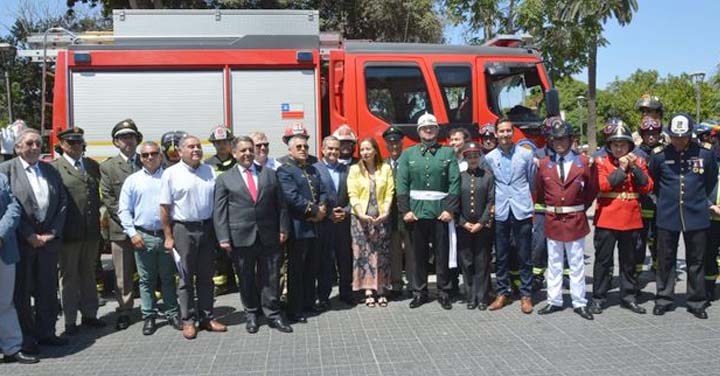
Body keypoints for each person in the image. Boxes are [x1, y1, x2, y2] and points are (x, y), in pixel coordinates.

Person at [214, 136, 293, 334]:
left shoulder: (269, 174)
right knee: (246, 277)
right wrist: (223, 238)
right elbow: (220, 211)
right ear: (234, 153)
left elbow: (281, 205)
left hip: (269, 235)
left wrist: (283, 228)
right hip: (240, 236)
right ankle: (251, 314)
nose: (248, 153)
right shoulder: (225, 179)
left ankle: (273, 313)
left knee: (271, 276)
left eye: (250, 149)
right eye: (243, 150)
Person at [0, 129, 67, 354]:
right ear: (18, 148)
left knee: (47, 290)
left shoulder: (50, 170)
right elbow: (12, 206)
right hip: (21, 242)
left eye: (38, 143)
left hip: (48, 242)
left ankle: (46, 332)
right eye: (29, 143)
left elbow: (62, 203)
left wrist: (52, 232)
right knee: (21, 292)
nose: (35, 147)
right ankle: (26, 338)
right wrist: (28, 234)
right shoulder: (6, 170)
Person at [649, 113, 718, 319]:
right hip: (667, 214)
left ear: (690, 134)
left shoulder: (705, 154)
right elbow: (653, 184)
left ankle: (696, 301)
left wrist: (705, 203)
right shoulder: (659, 154)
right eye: (675, 136)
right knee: (665, 259)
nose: (679, 140)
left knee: (696, 260)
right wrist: (659, 203)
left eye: (683, 136)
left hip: (696, 214)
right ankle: (663, 298)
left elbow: (711, 181)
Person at [160, 135, 227, 339]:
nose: (196, 150)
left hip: (206, 228)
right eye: (191, 147)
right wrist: (168, 236)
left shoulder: (209, 171)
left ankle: (207, 317)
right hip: (183, 230)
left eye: (198, 146)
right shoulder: (171, 173)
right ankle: (188, 320)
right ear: (180, 152)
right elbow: (164, 207)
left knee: (207, 276)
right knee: (186, 277)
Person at [396, 113, 460, 310]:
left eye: (432, 127)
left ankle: (443, 291)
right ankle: (419, 292)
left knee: (442, 254)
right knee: (417, 255)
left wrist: (450, 209)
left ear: (437, 130)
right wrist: (405, 210)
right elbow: (402, 184)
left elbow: (454, 182)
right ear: (419, 131)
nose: (429, 130)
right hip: (416, 213)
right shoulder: (408, 154)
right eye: (425, 128)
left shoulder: (447, 153)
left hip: (441, 212)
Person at [118, 141, 181, 335]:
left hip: (166, 235)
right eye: (145, 155)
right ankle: (149, 315)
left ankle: (172, 312)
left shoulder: (170, 177)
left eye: (154, 153)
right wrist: (132, 233)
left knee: (168, 277)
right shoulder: (133, 180)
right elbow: (123, 210)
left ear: (161, 155)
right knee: (146, 280)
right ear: (140, 158)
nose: (150, 158)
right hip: (143, 235)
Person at [533, 120, 595, 320]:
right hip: (553, 217)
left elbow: (592, 189)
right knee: (554, 261)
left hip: (575, 217)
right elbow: (541, 192)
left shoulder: (583, 162)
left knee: (576, 261)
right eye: (555, 139)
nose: (559, 142)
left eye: (562, 138)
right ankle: (554, 300)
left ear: (571, 140)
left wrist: (578, 207)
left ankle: (579, 302)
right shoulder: (544, 164)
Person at [590, 123, 653, 315]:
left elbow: (648, 187)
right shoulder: (601, 162)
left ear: (629, 146)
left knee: (629, 261)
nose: (619, 148)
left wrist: (634, 169)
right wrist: (622, 169)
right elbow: (603, 185)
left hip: (631, 218)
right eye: (615, 144)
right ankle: (599, 298)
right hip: (607, 218)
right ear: (609, 146)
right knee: (603, 261)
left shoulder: (639, 162)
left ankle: (628, 297)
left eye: (623, 144)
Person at [51, 127, 106, 336]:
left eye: (79, 142)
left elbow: (97, 196)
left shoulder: (91, 165)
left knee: (88, 274)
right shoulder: (56, 167)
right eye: (71, 142)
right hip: (68, 233)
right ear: (62, 145)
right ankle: (70, 321)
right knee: (69, 277)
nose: (76, 146)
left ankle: (90, 315)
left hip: (91, 232)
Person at [484, 118, 536, 314]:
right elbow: (490, 184)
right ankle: (502, 293)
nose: (504, 135)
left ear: (512, 132)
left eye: (508, 131)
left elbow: (532, 181)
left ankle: (526, 295)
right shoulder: (489, 158)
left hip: (521, 207)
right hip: (501, 209)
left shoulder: (525, 155)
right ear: (496, 134)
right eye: (501, 131)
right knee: (502, 255)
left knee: (524, 254)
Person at [277, 134, 328, 323]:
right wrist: (315, 211)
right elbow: (291, 197)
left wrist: (322, 207)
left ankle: (308, 303)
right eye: (298, 147)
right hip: (298, 227)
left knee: (311, 267)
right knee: (296, 270)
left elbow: (322, 190)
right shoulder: (285, 171)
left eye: (305, 146)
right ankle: (294, 309)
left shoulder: (312, 170)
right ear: (290, 150)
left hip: (315, 227)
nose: (303, 150)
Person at [99, 119, 142, 331]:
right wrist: (129, 223)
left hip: (146, 229)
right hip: (121, 229)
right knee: (122, 275)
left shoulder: (148, 161)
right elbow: (108, 198)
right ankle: (125, 310)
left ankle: (151, 308)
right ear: (116, 142)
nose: (128, 141)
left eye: (131, 136)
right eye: (123, 137)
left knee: (149, 271)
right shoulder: (107, 167)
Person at [347, 137, 394, 307]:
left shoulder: (385, 168)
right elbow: (352, 194)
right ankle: (367, 290)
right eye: (362, 150)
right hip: (360, 220)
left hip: (381, 218)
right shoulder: (354, 170)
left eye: (368, 149)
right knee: (363, 255)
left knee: (380, 254)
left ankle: (381, 289)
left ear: (375, 150)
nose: (365, 152)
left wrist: (386, 212)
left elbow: (389, 192)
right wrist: (361, 214)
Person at [0, 160, 36, 363]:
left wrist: (1, 234)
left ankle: (12, 348)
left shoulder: (1, 178)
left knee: (5, 302)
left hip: (3, 247)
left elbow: (13, 208)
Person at [313, 136, 353, 308]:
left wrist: (345, 211)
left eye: (336, 149)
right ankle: (323, 296)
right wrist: (327, 213)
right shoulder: (314, 169)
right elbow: (313, 196)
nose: (333, 152)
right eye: (330, 148)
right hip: (324, 223)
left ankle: (346, 293)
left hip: (343, 223)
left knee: (345, 259)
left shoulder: (348, 170)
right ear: (322, 149)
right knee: (325, 262)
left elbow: (356, 195)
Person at [456, 142, 494, 310]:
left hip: (482, 227)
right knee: (467, 262)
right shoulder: (460, 177)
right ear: (465, 158)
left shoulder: (487, 176)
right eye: (469, 156)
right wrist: (464, 223)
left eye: (475, 156)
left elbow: (491, 202)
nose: (472, 159)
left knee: (482, 262)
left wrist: (481, 222)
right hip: (464, 227)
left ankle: (483, 297)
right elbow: (454, 202)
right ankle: (470, 296)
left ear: (479, 157)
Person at [204, 125, 237, 296]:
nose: (221, 145)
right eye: (218, 142)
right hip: (217, 214)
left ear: (231, 142)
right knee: (218, 252)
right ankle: (221, 282)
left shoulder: (238, 162)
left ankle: (237, 280)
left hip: (236, 213)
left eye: (225, 141)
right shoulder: (207, 166)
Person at [383, 126, 414, 298]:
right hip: (392, 216)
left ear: (402, 143)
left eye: (396, 142)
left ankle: (412, 284)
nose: (394, 146)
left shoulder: (410, 162)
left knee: (411, 251)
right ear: (386, 144)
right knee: (394, 251)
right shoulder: (383, 165)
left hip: (409, 214)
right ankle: (396, 285)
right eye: (390, 143)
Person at [636, 116, 663, 274]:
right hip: (642, 203)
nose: (651, 136)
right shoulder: (636, 153)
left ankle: (658, 268)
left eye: (654, 133)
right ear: (642, 134)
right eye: (647, 133)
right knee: (639, 241)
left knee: (659, 240)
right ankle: (636, 275)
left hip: (660, 203)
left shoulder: (666, 152)